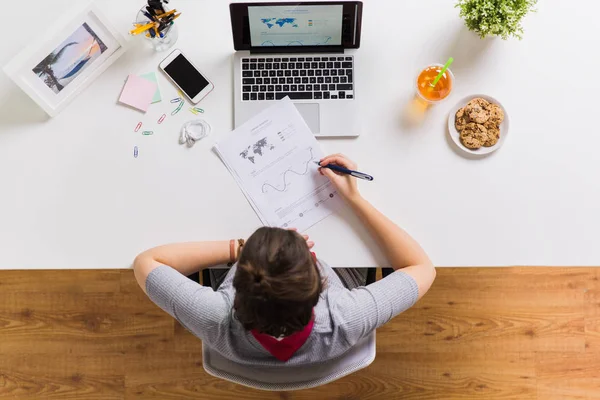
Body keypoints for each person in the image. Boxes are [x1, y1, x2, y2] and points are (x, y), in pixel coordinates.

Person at [133, 154, 435, 375]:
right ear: (320, 285)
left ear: (235, 287)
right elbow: (422, 267)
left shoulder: (213, 317)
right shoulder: (347, 317)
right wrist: (355, 198)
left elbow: (146, 261)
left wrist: (238, 247)